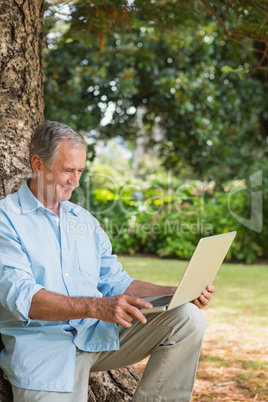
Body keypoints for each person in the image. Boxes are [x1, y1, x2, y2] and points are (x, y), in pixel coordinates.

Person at [0, 121, 215, 402]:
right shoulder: (6, 219)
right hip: (44, 353)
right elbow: (23, 298)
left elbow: (117, 282)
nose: (75, 181)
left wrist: (176, 293)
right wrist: (95, 306)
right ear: (38, 164)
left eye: (80, 171)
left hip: (95, 336)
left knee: (187, 318)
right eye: (67, 170)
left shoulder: (83, 220)